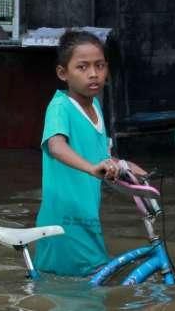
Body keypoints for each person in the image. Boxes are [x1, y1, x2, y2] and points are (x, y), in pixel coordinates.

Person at [34, 30, 146, 277]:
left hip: (87, 220)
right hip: (64, 223)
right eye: (82, 67)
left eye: (100, 66)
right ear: (63, 73)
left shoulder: (95, 105)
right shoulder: (60, 107)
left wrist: (125, 165)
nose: (94, 74)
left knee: (92, 289)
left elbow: (100, 156)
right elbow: (56, 146)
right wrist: (91, 169)